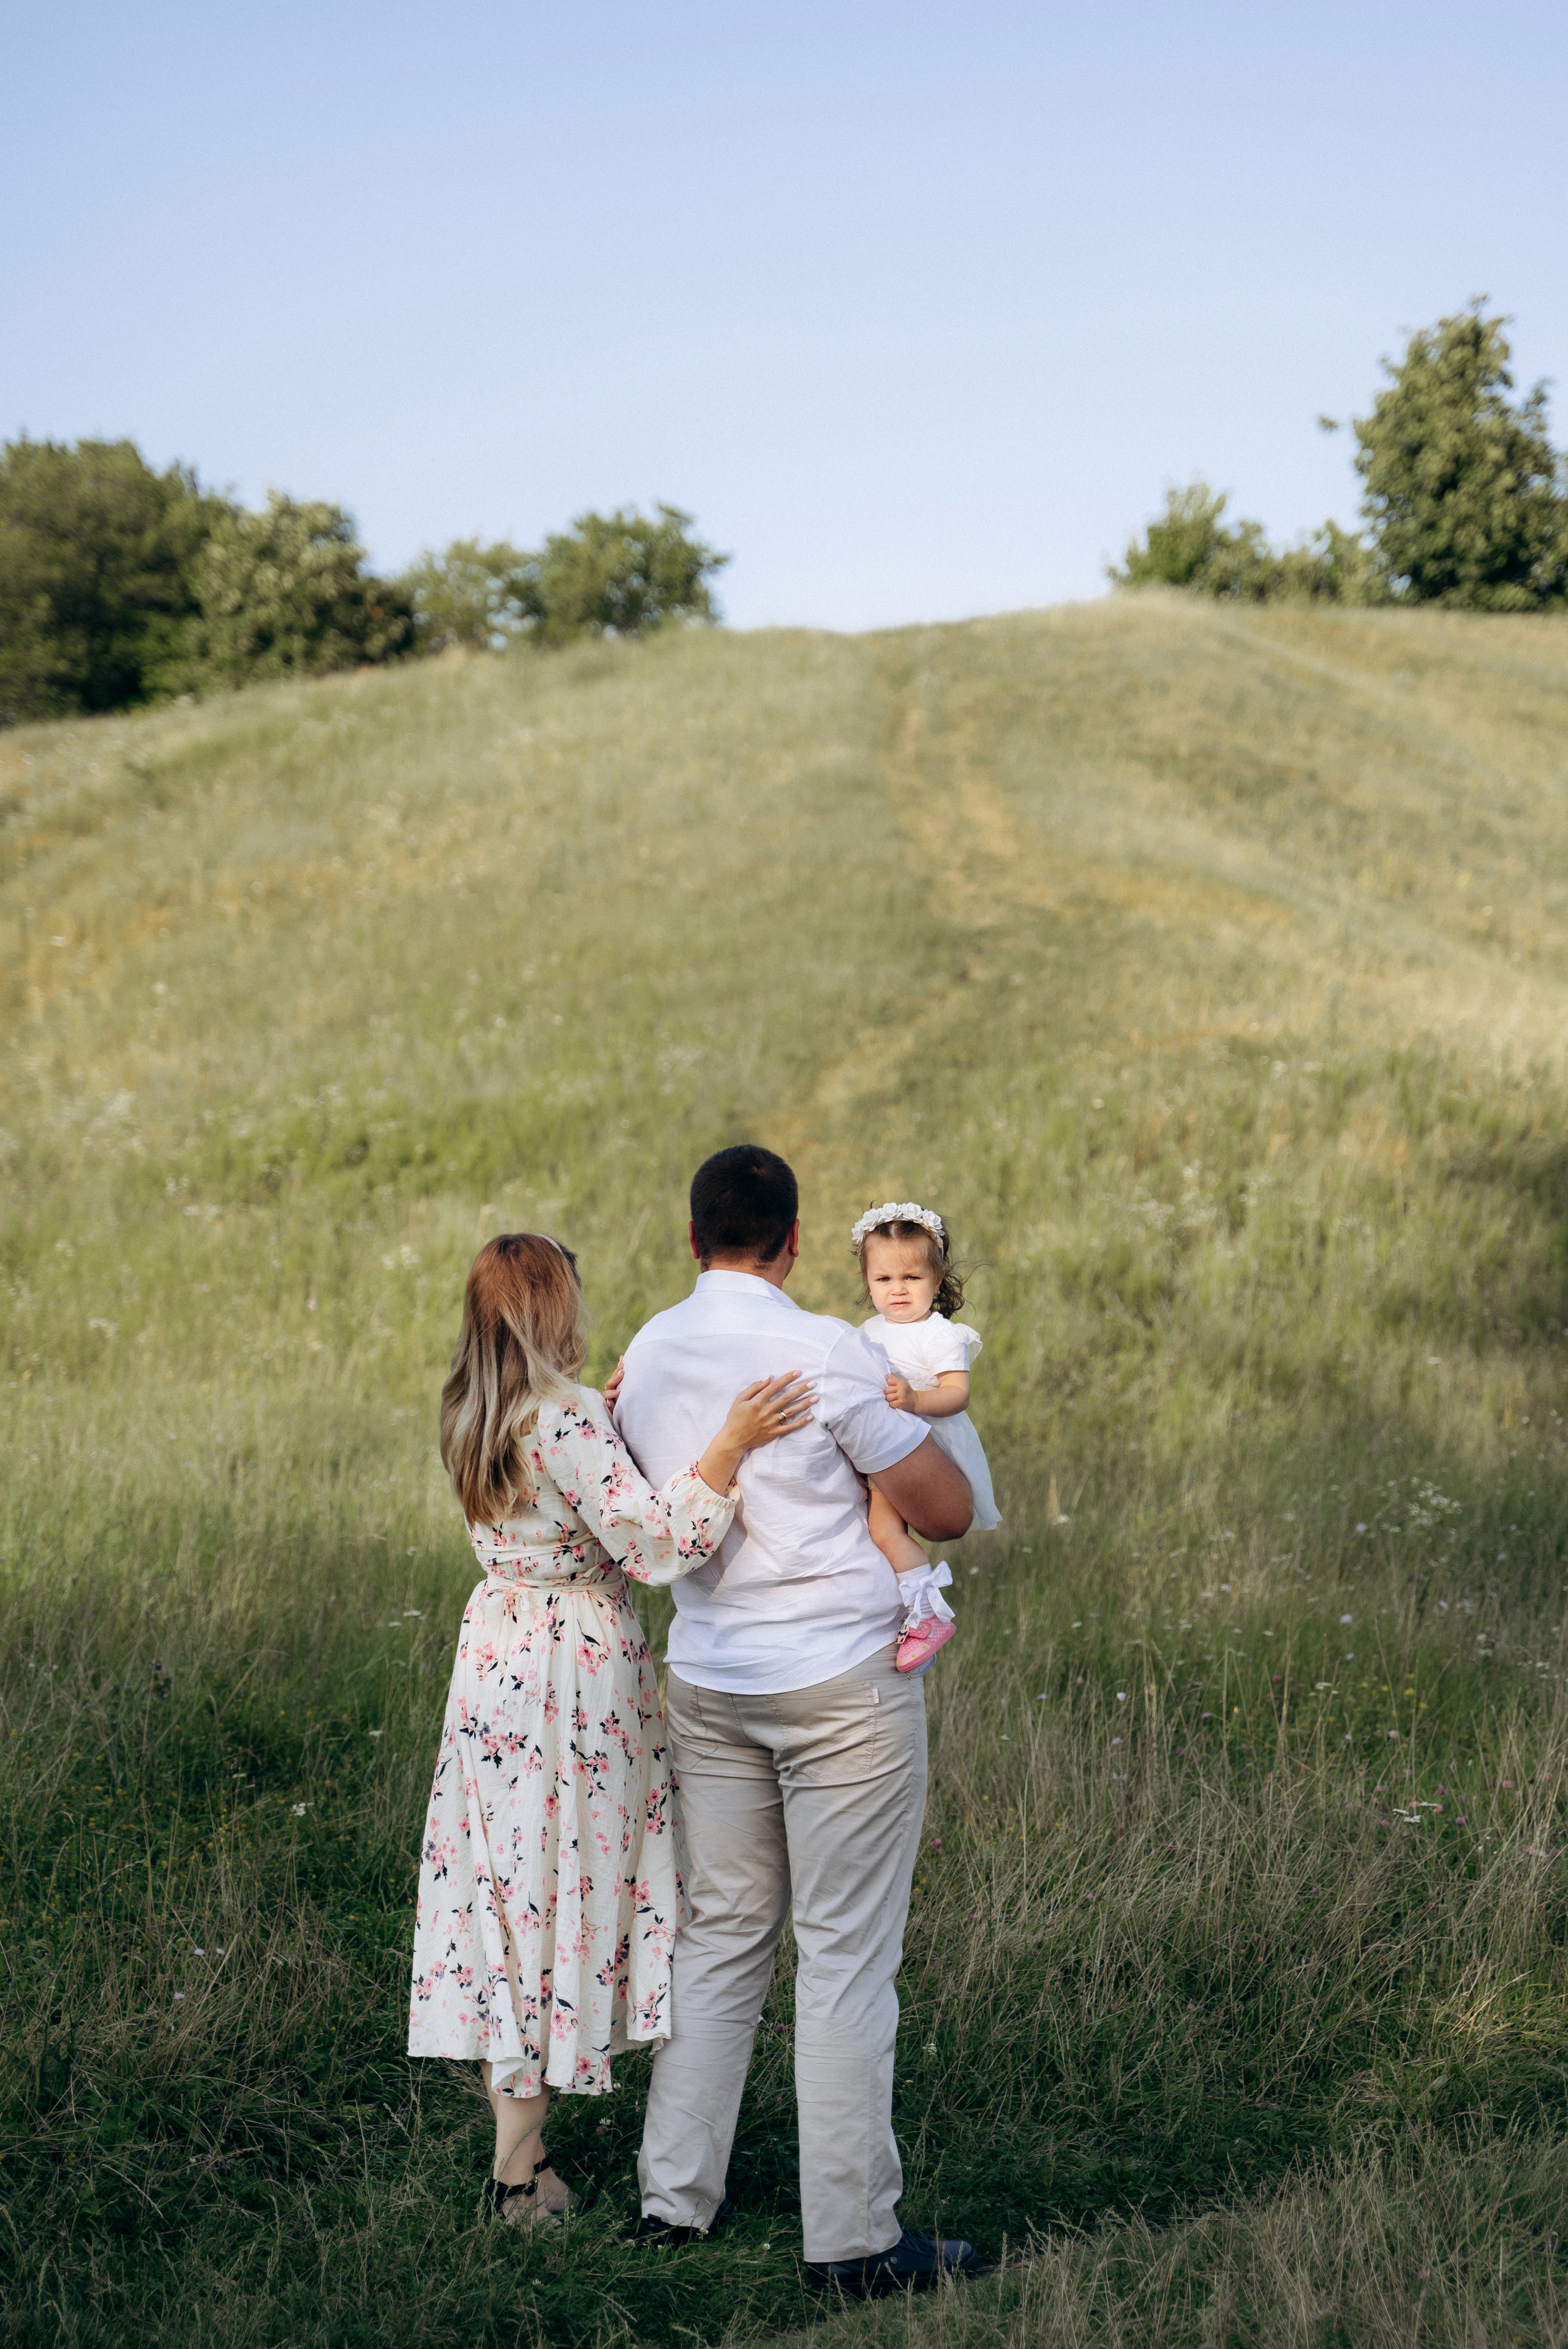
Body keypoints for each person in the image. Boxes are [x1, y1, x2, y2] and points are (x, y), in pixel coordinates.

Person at [611, 1145, 982, 2298]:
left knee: (720, 1934)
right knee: (843, 1957)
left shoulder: (650, 1349)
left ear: (692, 1238)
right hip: (839, 1684)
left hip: (712, 1677)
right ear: (797, 1236)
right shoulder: (827, 1348)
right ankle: (854, 2239)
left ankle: (673, 2201)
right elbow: (946, 1509)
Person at [407, 1230, 813, 2227]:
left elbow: (565, 1485)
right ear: (556, 1307)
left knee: (508, 1899)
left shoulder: (474, 1411)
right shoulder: (570, 1417)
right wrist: (728, 1446)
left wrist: (609, 1412)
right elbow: (655, 1539)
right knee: (558, 1897)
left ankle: (522, 2157)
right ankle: (515, 2176)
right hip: (573, 1676)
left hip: (496, 1655)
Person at [853, 1201, 1001, 1675]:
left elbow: (957, 1394)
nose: (898, 1290)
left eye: (912, 1279)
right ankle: (903, 1620)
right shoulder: (867, 1332)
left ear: (936, 1281)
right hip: (883, 1443)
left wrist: (916, 1400)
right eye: (884, 1280)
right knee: (872, 1532)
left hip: (925, 1443)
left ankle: (927, 1614)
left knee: (883, 1530)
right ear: (868, 1283)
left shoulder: (938, 1335)